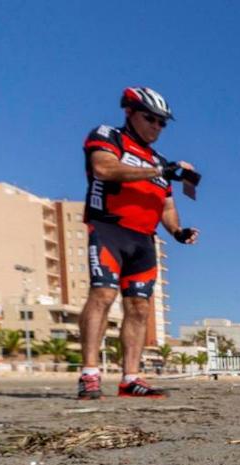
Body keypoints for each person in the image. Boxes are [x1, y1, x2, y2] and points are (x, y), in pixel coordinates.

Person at [76, 86, 200, 399]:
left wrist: (178, 231)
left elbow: (167, 206)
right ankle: (90, 373)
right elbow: (103, 168)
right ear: (129, 112)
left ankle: (130, 378)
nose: (157, 127)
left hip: (144, 240)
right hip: (110, 229)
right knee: (102, 295)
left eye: (163, 123)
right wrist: (160, 170)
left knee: (139, 307)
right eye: (151, 119)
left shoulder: (159, 161)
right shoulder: (109, 136)